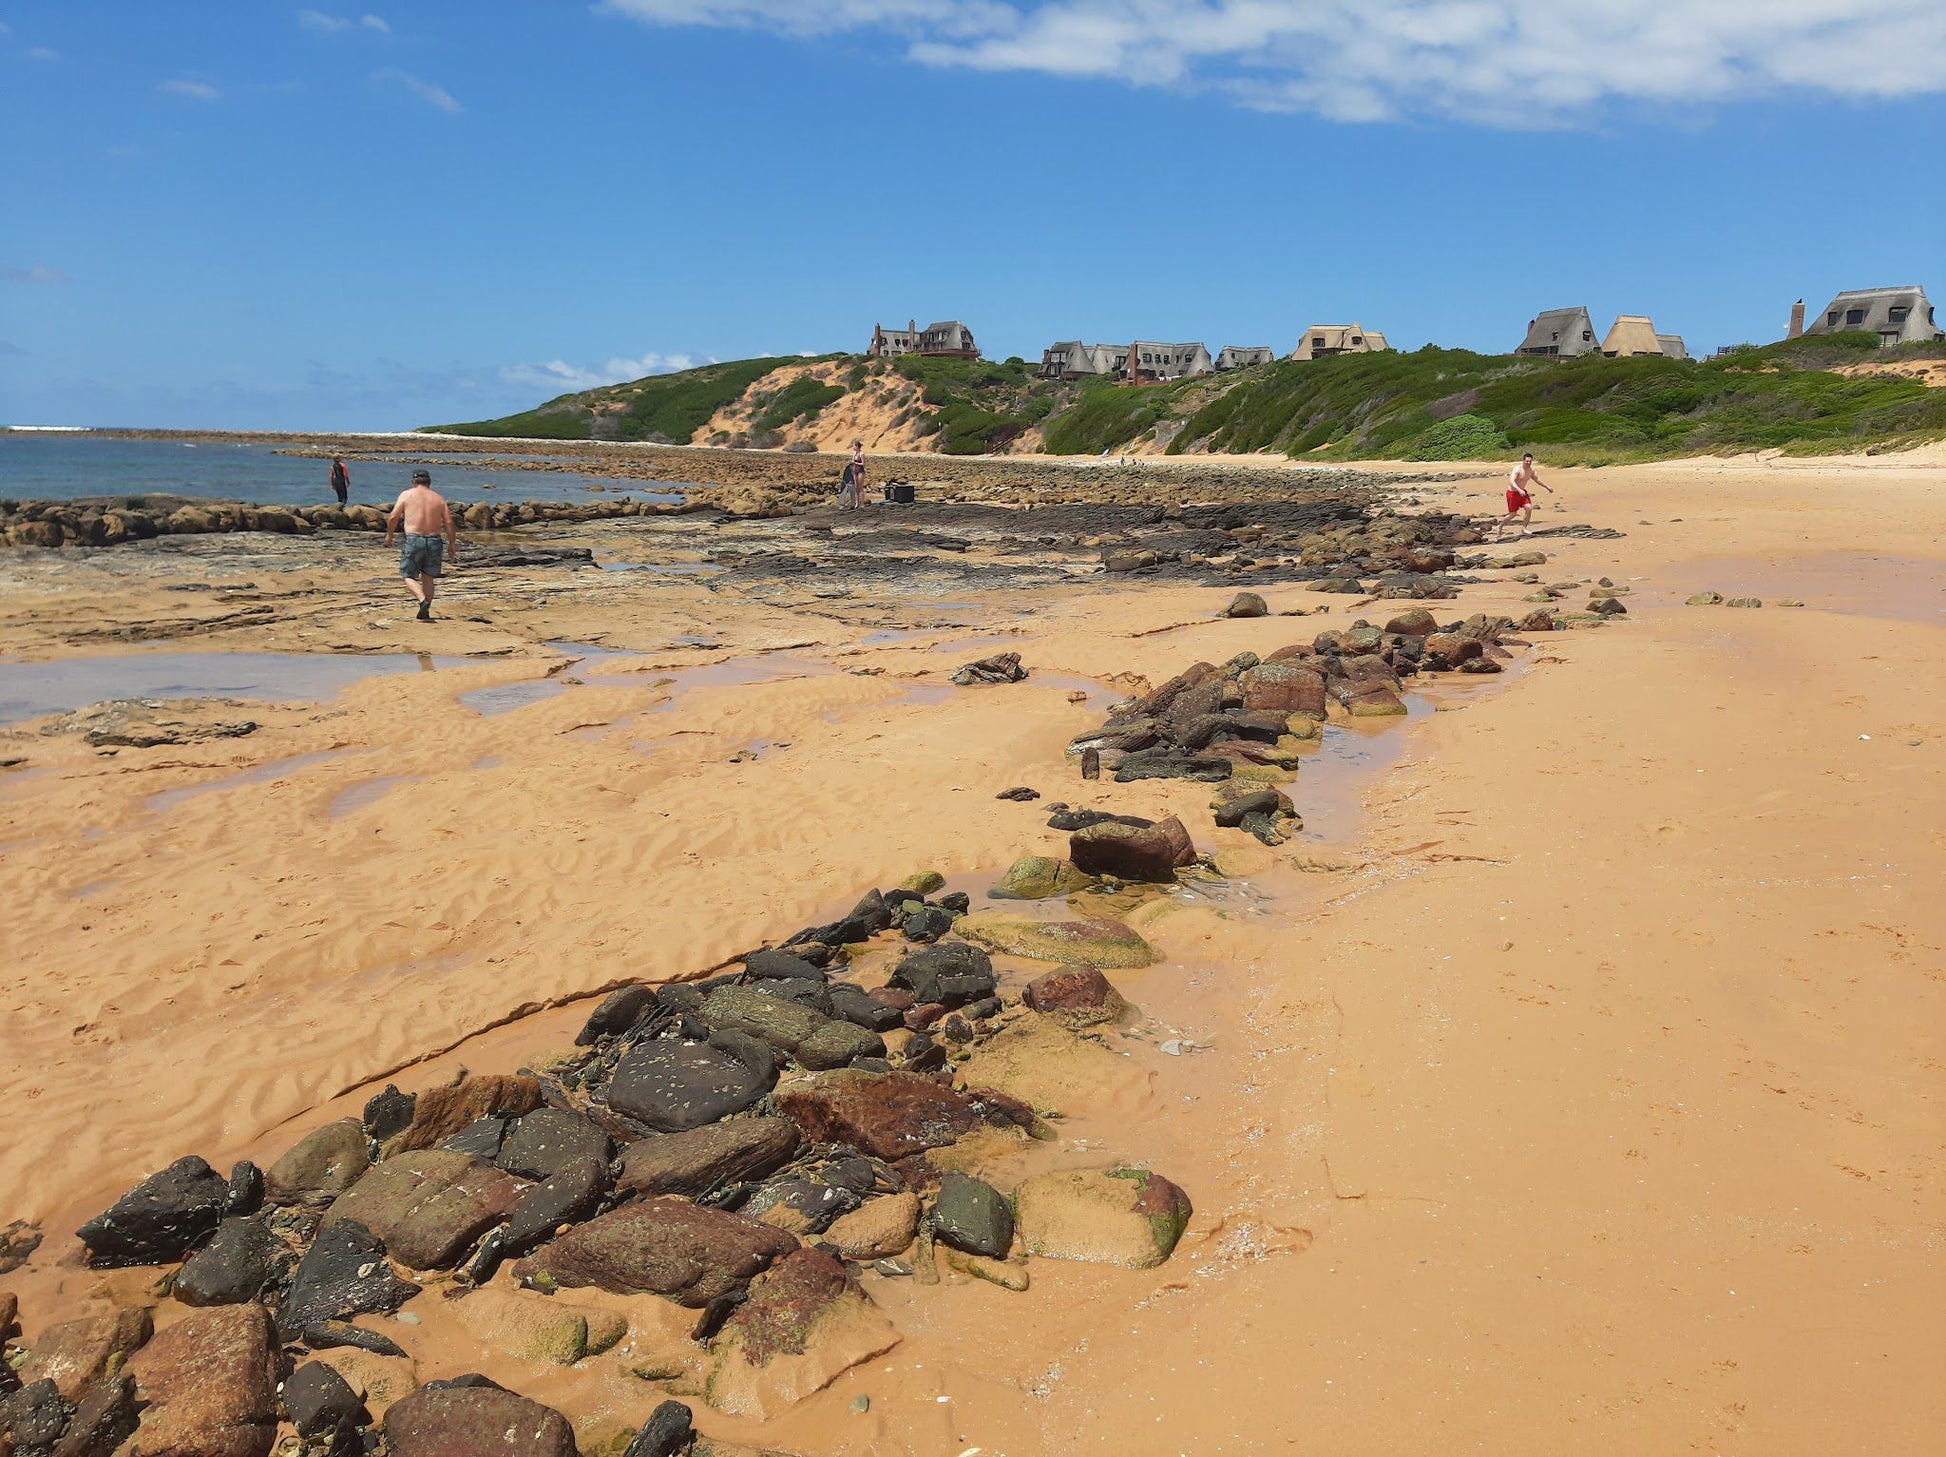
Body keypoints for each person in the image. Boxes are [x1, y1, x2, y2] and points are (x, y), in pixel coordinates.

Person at [384, 469, 457, 621]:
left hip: (414, 539)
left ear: (414, 482)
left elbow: (393, 517)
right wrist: (452, 544)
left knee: (408, 575)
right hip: (434, 540)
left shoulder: (406, 495)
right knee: (428, 577)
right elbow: (449, 522)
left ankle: (422, 599)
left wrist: (390, 535)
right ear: (429, 483)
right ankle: (426, 609)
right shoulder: (438, 498)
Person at [1497, 452, 1555, 541]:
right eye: (1527, 461)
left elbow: (1537, 480)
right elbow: (1511, 481)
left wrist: (1547, 487)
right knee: (1513, 514)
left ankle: (1524, 529)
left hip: (1522, 493)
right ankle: (1500, 526)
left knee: (1529, 508)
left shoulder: (1530, 471)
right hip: (1512, 493)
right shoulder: (1517, 469)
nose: (1528, 463)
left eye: (1530, 461)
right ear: (1523, 461)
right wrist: (1519, 490)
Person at [840, 439, 867, 509]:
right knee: (856, 487)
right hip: (855, 471)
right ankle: (856, 503)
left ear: (857, 446)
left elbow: (863, 464)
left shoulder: (861, 454)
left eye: (854, 445)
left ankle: (862, 503)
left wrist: (856, 463)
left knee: (860, 487)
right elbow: (852, 461)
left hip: (860, 470)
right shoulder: (854, 453)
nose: (853, 447)